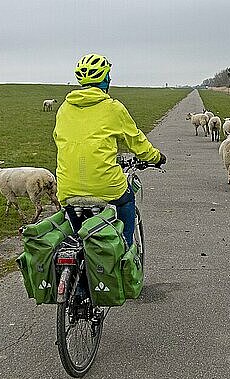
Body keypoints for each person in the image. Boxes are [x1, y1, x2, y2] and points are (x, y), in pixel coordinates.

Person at [53, 53, 166, 246]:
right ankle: (126, 248)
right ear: (105, 79)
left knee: (79, 235)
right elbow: (136, 140)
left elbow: (59, 139)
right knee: (127, 200)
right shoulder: (113, 108)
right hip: (106, 184)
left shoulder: (64, 108)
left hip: (67, 186)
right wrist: (156, 157)